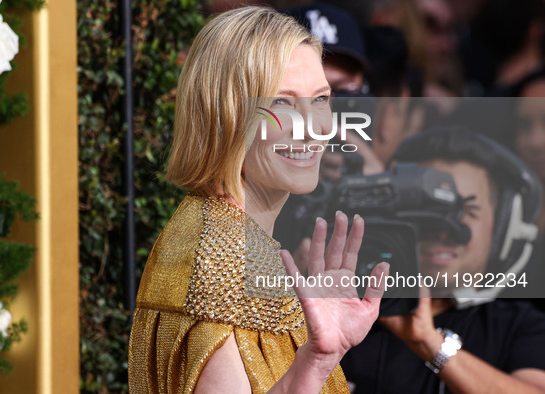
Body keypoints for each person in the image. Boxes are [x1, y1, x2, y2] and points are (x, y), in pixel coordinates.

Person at [128, 7, 389, 393]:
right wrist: (315, 364)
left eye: (320, 99)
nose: (314, 127)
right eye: (282, 103)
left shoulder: (221, 234)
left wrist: (318, 360)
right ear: (225, 113)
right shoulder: (221, 259)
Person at [341, 128, 545, 393]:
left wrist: (430, 343)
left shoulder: (522, 326)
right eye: (428, 209)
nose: (443, 230)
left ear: (502, 228)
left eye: (466, 211)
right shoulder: (340, 307)